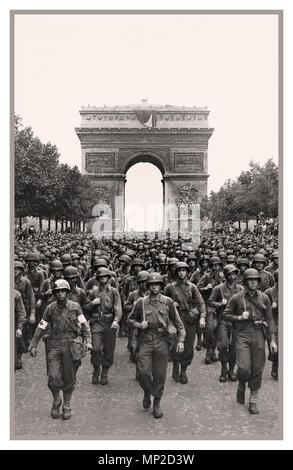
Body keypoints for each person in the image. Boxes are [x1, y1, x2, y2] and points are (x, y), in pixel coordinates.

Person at [29, 279, 92, 420]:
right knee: (54, 376)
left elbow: (83, 324)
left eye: (63, 291)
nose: (61, 294)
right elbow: (41, 326)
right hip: (55, 344)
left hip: (71, 344)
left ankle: (67, 405)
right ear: (55, 293)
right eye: (58, 292)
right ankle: (57, 400)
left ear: (67, 292)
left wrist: (88, 341)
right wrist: (33, 344)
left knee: (69, 376)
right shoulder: (50, 308)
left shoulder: (75, 307)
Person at [128, 272, 185, 418]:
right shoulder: (141, 302)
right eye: (152, 285)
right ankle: (147, 391)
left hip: (162, 339)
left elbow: (178, 322)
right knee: (143, 373)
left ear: (161, 286)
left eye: (157, 284)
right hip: (146, 339)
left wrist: (181, 340)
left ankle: (157, 402)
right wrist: (140, 325)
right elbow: (130, 320)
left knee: (160, 374)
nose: (154, 287)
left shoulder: (168, 302)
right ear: (148, 286)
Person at [222, 268, 277, 414]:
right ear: (245, 282)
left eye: (256, 280)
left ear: (259, 282)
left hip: (259, 333)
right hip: (242, 334)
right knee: (244, 368)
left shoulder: (264, 298)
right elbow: (225, 314)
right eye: (250, 280)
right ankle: (241, 384)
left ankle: (253, 399)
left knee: (258, 368)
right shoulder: (237, 298)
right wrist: (239, 317)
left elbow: (270, 319)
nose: (253, 282)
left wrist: (272, 340)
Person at [165, 262, 206, 384]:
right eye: (179, 270)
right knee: (174, 343)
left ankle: (183, 371)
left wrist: (202, 317)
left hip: (189, 319)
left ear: (187, 272)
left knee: (188, 346)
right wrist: (171, 304)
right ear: (176, 272)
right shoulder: (170, 287)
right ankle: (176, 367)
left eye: (184, 270)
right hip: (175, 318)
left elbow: (200, 303)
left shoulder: (192, 287)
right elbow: (162, 302)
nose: (182, 273)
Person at [84, 267, 122, 385]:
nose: (103, 278)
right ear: (98, 279)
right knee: (96, 349)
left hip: (109, 323)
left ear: (109, 278)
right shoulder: (93, 292)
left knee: (109, 349)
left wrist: (116, 320)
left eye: (105, 276)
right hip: (96, 322)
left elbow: (118, 307)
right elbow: (84, 308)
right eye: (101, 277)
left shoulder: (114, 291)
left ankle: (104, 372)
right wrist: (92, 303)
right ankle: (96, 369)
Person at [208, 264, 244, 382]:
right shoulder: (218, 288)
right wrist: (220, 304)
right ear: (226, 275)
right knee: (223, 346)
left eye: (234, 274)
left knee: (234, 347)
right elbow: (210, 302)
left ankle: (231, 370)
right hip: (223, 319)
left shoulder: (240, 289)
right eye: (229, 274)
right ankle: (223, 368)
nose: (232, 276)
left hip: (236, 320)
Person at [197, 256, 225, 364]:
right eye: (212, 265)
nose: (215, 267)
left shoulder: (223, 277)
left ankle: (213, 351)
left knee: (217, 329)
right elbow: (197, 288)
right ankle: (209, 351)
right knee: (210, 329)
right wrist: (205, 288)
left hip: (221, 306)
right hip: (209, 305)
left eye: (217, 265)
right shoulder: (206, 277)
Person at [124, 270, 149, 363]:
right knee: (133, 346)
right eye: (142, 282)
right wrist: (133, 305)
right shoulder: (133, 294)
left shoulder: (152, 294)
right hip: (135, 322)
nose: (144, 284)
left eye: (146, 282)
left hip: (148, 322)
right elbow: (125, 307)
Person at [265, 269, 279, 380]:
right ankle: (275, 364)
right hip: (274, 322)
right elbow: (260, 305)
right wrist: (270, 306)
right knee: (276, 349)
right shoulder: (269, 292)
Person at [14, 289, 27, 370]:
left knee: (19, 340)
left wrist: (19, 327)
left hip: (12, 322)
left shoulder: (15, 294)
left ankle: (18, 358)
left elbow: (21, 312)